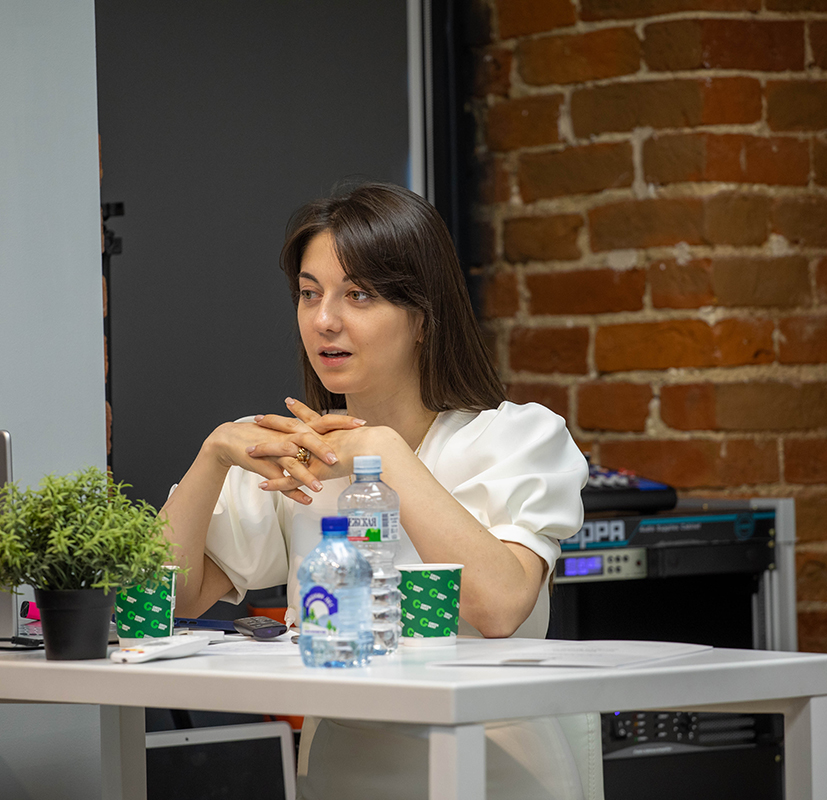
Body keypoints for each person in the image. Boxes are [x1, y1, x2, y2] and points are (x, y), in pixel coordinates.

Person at [160, 182, 599, 800]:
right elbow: (165, 599)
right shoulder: (302, 454)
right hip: (340, 763)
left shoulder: (516, 437)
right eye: (309, 294)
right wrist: (211, 458)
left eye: (358, 295)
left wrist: (383, 452)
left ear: (423, 316)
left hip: (494, 764)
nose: (324, 320)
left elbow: (501, 607)